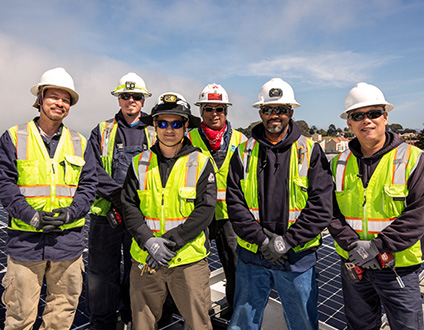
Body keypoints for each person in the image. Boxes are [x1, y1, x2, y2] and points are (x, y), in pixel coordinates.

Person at [0, 67, 97, 330]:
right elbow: (1, 182)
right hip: (26, 243)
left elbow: (89, 186)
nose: (60, 103)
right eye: (54, 96)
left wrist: (72, 213)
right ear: (40, 98)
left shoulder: (79, 142)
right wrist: (31, 215)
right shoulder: (15, 136)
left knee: (62, 313)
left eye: (66, 99)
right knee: (19, 315)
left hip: (67, 244)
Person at [226, 78, 333, 330]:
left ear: (291, 113)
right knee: (242, 323)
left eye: (281, 110)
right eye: (268, 109)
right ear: (260, 113)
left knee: (302, 323)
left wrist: (286, 242)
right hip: (253, 256)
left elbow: (321, 207)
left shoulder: (310, 151)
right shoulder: (243, 152)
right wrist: (264, 242)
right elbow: (235, 204)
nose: (275, 115)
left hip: (297, 259)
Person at [328, 82, 424, 330]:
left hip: (397, 266)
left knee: (407, 326)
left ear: (385, 117)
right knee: (360, 326)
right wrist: (354, 246)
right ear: (349, 123)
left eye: (374, 113)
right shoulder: (338, 164)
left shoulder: (414, 159)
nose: (366, 121)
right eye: (358, 116)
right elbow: (330, 212)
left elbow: (419, 215)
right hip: (353, 265)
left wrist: (377, 247)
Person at [120, 92, 216, 330]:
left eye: (176, 123)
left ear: (186, 127)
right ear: (154, 126)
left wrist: (169, 243)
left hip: (188, 262)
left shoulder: (201, 163)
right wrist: (149, 242)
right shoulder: (139, 163)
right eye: (162, 123)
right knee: (141, 325)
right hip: (145, 261)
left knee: (199, 324)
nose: (169, 129)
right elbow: (129, 206)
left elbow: (205, 211)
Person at [86, 72, 155, 330]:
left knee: (138, 272)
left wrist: (133, 204)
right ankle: (102, 323)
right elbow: (91, 169)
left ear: (143, 100)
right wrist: (119, 197)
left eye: (136, 96)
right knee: (101, 274)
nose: (130, 101)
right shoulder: (103, 130)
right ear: (118, 100)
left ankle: (131, 318)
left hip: (141, 216)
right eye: (125, 96)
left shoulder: (154, 130)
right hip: (107, 216)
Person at [188, 83, 246, 315]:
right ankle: (197, 313)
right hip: (198, 215)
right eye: (209, 109)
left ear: (226, 112)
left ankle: (235, 311)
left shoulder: (241, 141)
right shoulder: (189, 138)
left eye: (219, 109)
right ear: (201, 112)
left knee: (234, 265)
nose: (215, 114)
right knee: (194, 267)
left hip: (230, 216)